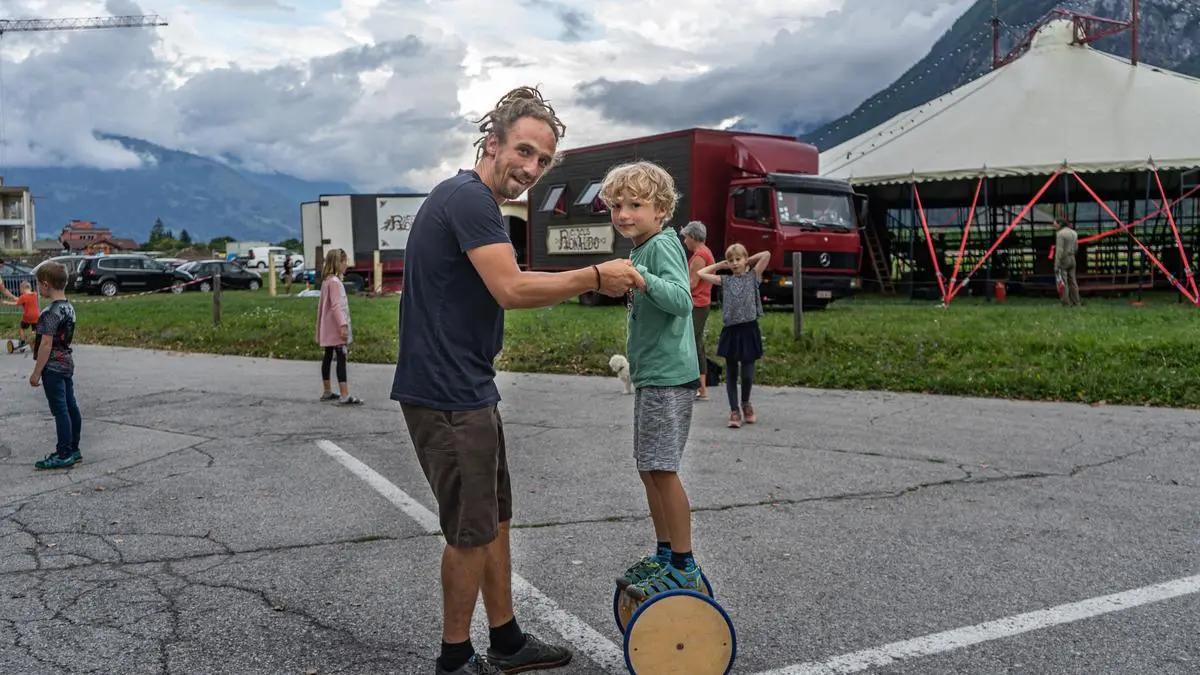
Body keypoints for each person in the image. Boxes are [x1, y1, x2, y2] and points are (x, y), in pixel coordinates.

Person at [389, 85, 646, 675]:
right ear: (492, 142)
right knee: (470, 531)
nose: (531, 169)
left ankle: (506, 639)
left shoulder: (469, 200)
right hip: (448, 395)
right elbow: (511, 288)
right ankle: (455, 658)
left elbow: (505, 279)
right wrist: (595, 276)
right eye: (524, 151)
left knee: (494, 520)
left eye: (543, 160)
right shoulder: (469, 199)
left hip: (469, 387)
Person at [599, 161, 705, 599]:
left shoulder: (661, 245)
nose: (623, 214)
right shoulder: (641, 249)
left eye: (635, 205)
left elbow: (681, 300)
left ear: (661, 210)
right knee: (648, 468)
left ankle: (684, 565)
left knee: (662, 469)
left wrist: (640, 280)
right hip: (650, 377)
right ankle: (664, 552)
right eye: (616, 206)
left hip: (668, 378)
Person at [697, 245, 769, 428]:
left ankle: (746, 403)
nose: (735, 263)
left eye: (738, 259)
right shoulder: (725, 280)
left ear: (744, 259)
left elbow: (766, 254)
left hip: (749, 329)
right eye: (731, 260)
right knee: (731, 372)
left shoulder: (753, 277)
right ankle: (734, 410)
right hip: (731, 331)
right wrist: (720, 265)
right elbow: (701, 273)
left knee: (747, 374)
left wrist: (746, 261)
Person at [28, 262, 82, 470]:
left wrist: (36, 373)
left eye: (38, 285)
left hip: (53, 367)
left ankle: (63, 453)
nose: (38, 290)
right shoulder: (69, 307)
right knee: (70, 406)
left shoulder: (49, 312)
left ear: (46, 284)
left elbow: (46, 344)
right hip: (67, 362)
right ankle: (74, 448)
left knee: (60, 410)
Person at [316, 248, 363, 405]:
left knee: (328, 356)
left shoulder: (326, 281)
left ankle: (327, 391)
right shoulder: (335, 283)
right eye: (345, 261)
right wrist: (343, 325)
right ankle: (344, 395)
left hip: (327, 326)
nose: (346, 265)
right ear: (338, 263)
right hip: (336, 327)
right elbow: (337, 306)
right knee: (341, 357)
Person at [681, 221, 714, 401]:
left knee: (691, 343)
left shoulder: (700, 256)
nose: (685, 241)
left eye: (686, 237)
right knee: (697, 343)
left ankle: (699, 387)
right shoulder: (705, 252)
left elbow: (692, 283)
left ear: (693, 237)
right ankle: (701, 387)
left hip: (697, 304)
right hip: (701, 303)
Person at [1, 280, 39, 349]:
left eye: (20, 289)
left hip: (28, 316)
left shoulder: (23, 297)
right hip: (36, 315)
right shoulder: (35, 294)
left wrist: (6, 302)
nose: (20, 291)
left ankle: (23, 341)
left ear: (23, 288)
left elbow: (16, 303)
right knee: (34, 329)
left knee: (21, 328)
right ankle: (34, 339)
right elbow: (23, 300)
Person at [1054, 218, 1080, 307]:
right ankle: (1076, 301)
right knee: (1073, 281)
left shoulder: (1060, 234)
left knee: (1063, 281)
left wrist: (1057, 264)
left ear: (1060, 224)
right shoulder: (1074, 233)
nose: (1054, 225)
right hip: (1072, 257)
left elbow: (1059, 250)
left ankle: (1065, 302)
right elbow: (1076, 247)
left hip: (1064, 259)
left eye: (1055, 224)